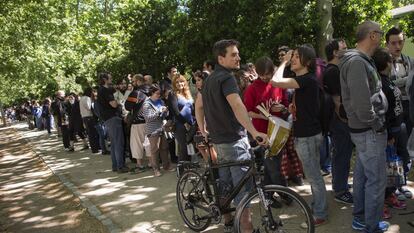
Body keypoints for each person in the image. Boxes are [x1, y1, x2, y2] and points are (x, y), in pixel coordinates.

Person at [195, 39, 268, 233]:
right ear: (221, 58)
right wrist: (254, 132)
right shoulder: (226, 78)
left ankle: (227, 221)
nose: (238, 57)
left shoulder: (209, 79)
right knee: (243, 189)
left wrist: (203, 131)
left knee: (226, 184)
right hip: (234, 141)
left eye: (238, 53)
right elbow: (237, 105)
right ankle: (246, 229)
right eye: (233, 54)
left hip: (219, 141)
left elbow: (198, 106)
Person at [339, 20, 389, 232]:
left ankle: (361, 219)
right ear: (372, 36)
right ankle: (371, 226)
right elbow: (362, 105)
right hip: (369, 131)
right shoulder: (357, 63)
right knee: (376, 180)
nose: (381, 38)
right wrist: (376, 123)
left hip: (364, 131)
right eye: (380, 34)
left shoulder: (358, 60)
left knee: (362, 176)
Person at [271, 45, 328, 227]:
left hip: (307, 136)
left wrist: (283, 62)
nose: (293, 58)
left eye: (296, 56)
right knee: (313, 175)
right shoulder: (304, 80)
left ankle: (319, 214)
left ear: (308, 62)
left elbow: (275, 81)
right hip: (307, 134)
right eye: (292, 56)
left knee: (314, 176)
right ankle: (317, 206)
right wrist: (290, 109)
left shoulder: (306, 79)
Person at [243, 56, 289, 193]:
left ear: (272, 71)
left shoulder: (277, 84)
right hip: (262, 132)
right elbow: (247, 112)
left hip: (278, 131)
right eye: (261, 75)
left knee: (272, 165)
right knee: (272, 166)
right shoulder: (252, 89)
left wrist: (282, 108)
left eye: (267, 75)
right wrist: (262, 115)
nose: (265, 78)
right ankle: (285, 193)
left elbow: (286, 104)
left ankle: (267, 195)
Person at [372, 48, 407, 219]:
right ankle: (383, 201)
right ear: (387, 64)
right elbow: (382, 112)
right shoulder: (380, 84)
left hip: (397, 129)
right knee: (386, 169)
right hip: (389, 133)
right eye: (391, 62)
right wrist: (389, 136)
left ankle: (390, 194)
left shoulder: (388, 80)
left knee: (396, 165)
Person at [323, 38, 354, 204]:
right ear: (335, 52)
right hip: (340, 122)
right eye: (344, 47)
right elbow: (337, 101)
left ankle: (340, 185)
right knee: (341, 155)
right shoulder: (333, 72)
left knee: (341, 155)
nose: (347, 49)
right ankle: (341, 190)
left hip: (340, 121)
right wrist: (347, 120)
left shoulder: (334, 69)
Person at [386, 26, 414, 200]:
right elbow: (389, 84)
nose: (398, 46)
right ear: (387, 43)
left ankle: (402, 183)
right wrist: (406, 80)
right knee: (393, 147)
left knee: (405, 148)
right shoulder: (382, 61)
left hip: (408, 107)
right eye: (394, 43)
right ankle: (393, 187)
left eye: (400, 42)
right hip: (392, 111)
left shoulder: (410, 60)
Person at [97, 72, 128, 173]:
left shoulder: (101, 90)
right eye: (110, 77)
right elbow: (114, 104)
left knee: (114, 143)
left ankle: (116, 166)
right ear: (105, 79)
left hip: (108, 119)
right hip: (113, 118)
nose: (112, 78)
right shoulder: (105, 90)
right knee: (118, 142)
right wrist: (119, 101)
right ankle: (120, 166)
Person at [142, 84, 172, 177]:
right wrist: (160, 112)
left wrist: (166, 111)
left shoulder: (161, 101)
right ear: (151, 93)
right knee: (155, 150)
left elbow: (165, 114)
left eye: (160, 93)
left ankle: (166, 166)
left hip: (161, 128)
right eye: (157, 93)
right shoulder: (147, 104)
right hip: (152, 130)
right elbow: (148, 118)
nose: (159, 95)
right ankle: (156, 170)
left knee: (164, 148)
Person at [126, 74, 151, 173]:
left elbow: (127, 106)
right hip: (150, 120)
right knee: (149, 143)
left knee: (137, 144)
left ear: (138, 81)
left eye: (133, 81)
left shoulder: (135, 93)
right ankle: (151, 163)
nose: (132, 83)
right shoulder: (151, 90)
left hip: (138, 121)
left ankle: (139, 165)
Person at [170, 74, 195, 162]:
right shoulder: (173, 94)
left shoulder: (187, 93)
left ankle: (189, 169)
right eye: (177, 82)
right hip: (179, 125)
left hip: (191, 123)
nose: (180, 83)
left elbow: (192, 109)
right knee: (183, 148)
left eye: (181, 81)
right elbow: (175, 111)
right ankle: (182, 171)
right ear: (174, 84)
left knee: (190, 146)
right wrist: (185, 123)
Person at [80, 87, 101, 154]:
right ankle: (95, 148)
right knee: (93, 133)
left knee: (90, 133)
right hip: (89, 117)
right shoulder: (87, 98)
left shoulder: (82, 98)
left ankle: (94, 148)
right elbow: (89, 107)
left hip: (84, 117)